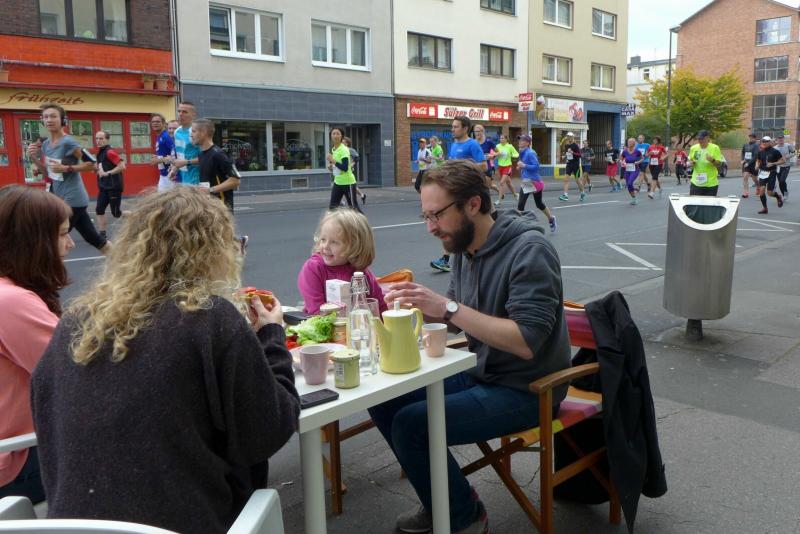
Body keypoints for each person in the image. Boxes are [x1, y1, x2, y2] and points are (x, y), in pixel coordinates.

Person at [30, 187, 300, 534]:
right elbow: (268, 431)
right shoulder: (210, 317)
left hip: (72, 525)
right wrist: (272, 335)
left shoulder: (75, 321)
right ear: (213, 251)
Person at [370, 159, 571, 534]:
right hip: (481, 372)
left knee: (412, 424)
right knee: (384, 399)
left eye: (437, 215)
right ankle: (443, 500)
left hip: (530, 389)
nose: (431, 227)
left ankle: (464, 517)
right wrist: (404, 309)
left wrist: (446, 307)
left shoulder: (530, 250)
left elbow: (526, 341)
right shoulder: (464, 248)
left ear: (474, 204)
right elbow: (452, 318)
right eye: (425, 216)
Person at [0, 185, 73, 505]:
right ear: (33, 242)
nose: (71, 244)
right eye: (62, 234)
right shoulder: (12, 302)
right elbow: (77, 370)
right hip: (17, 459)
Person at [26, 103, 111, 255]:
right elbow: (49, 173)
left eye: (53, 116)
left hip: (73, 199)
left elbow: (92, 165)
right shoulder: (46, 145)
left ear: (63, 120)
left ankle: (45, 270)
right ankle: (125, 262)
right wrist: (33, 158)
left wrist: (67, 168)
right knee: (94, 239)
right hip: (60, 198)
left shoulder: (69, 142)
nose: (49, 120)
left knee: (50, 241)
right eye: (46, 117)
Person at [297, 209, 387, 316]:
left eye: (334, 242)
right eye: (323, 239)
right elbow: (316, 311)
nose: (325, 246)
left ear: (355, 246)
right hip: (323, 325)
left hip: (358, 325)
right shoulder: (314, 268)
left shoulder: (360, 273)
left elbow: (379, 307)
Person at [430, 116, 486, 273]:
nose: (452, 129)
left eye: (456, 127)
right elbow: (451, 164)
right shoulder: (454, 144)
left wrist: (465, 168)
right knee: (454, 224)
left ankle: (478, 255)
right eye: (452, 127)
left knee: (468, 225)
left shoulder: (472, 144)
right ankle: (447, 259)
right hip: (455, 190)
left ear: (465, 128)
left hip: (469, 192)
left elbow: (484, 165)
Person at [191, 118, 241, 212]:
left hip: (221, 209)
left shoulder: (219, 154)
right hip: (208, 207)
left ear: (203, 132)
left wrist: (210, 190)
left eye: (193, 131)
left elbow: (236, 181)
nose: (191, 135)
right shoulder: (201, 154)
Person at [516, 134, 556, 233]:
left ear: (528, 143)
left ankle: (551, 219)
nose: (520, 142)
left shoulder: (531, 153)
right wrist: (520, 166)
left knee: (535, 204)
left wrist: (524, 165)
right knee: (525, 204)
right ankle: (550, 218)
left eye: (522, 140)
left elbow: (537, 167)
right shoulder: (522, 152)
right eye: (519, 140)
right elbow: (524, 164)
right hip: (527, 181)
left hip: (533, 182)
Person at [94, 130, 126, 240]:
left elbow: (122, 166)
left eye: (101, 138)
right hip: (103, 187)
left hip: (114, 187)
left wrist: (108, 173)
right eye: (97, 138)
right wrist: (97, 170)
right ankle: (102, 234)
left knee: (116, 213)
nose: (98, 141)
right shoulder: (100, 152)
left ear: (107, 139)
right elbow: (102, 167)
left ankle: (136, 217)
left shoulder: (109, 152)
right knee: (99, 209)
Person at [327, 127, 362, 212]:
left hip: (348, 182)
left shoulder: (344, 149)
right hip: (338, 182)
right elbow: (337, 166)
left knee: (354, 208)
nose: (335, 136)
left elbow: (345, 168)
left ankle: (363, 221)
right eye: (333, 134)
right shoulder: (334, 149)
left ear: (341, 136)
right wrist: (331, 167)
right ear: (331, 136)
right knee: (332, 208)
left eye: (338, 134)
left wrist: (333, 161)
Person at [169, 101, 201, 185]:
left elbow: (206, 158)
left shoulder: (196, 132)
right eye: (179, 111)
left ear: (193, 115)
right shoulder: (176, 132)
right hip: (184, 179)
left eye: (185, 112)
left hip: (197, 180)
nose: (180, 114)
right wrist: (174, 169)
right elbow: (180, 156)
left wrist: (186, 162)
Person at [687, 130, 723, 196]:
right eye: (698, 139)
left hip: (711, 184)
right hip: (696, 183)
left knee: (709, 203)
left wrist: (712, 160)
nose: (700, 141)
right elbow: (691, 161)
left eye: (702, 139)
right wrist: (691, 163)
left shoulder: (715, 148)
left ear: (707, 138)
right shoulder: (693, 148)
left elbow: (719, 164)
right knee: (694, 202)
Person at [754, 136, 785, 214]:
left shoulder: (775, 151)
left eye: (766, 141)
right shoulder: (760, 152)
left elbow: (782, 161)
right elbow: (758, 160)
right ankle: (765, 208)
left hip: (772, 173)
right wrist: (757, 165)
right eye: (763, 141)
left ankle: (778, 197)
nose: (764, 143)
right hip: (763, 173)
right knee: (761, 191)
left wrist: (773, 163)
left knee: (770, 193)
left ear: (770, 142)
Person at [150, 113, 175, 191]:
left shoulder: (166, 136)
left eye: (158, 122)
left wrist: (158, 160)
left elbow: (175, 155)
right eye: (153, 122)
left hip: (171, 175)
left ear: (164, 123)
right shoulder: (159, 136)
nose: (155, 123)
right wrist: (157, 157)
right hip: (163, 175)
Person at [558, 132, 586, 202]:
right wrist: (565, 156)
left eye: (570, 136)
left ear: (572, 137)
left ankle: (582, 192)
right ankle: (565, 195)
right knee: (566, 179)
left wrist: (573, 153)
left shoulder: (575, 145)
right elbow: (567, 153)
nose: (569, 138)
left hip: (575, 165)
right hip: (569, 164)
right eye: (568, 136)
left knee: (577, 180)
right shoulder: (566, 145)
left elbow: (580, 155)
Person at [473, 124, 499, 195]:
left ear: (482, 131)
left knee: (488, 187)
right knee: (478, 188)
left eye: (478, 131)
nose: (477, 133)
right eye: (475, 131)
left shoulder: (488, 142)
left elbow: (498, 152)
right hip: (477, 167)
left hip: (487, 167)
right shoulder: (473, 143)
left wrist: (492, 155)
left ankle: (497, 190)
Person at [495, 134, 519, 204]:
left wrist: (512, 155)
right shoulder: (497, 146)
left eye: (502, 138)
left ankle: (499, 200)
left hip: (507, 166)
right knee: (509, 183)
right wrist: (495, 155)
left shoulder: (510, 146)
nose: (501, 139)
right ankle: (515, 194)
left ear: (506, 139)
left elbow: (516, 154)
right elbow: (495, 155)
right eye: (500, 138)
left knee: (501, 183)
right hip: (500, 166)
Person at [343, 137, 367, 205]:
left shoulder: (350, 150)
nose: (341, 143)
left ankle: (341, 201)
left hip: (348, 171)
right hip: (342, 171)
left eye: (343, 142)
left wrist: (352, 164)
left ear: (347, 143)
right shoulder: (340, 150)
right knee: (349, 186)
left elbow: (357, 158)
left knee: (343, 186)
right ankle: (362, 195)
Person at [621, 138, 644, 205]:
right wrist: (622, 162)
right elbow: (621, 159)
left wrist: (638, 162)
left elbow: (642, 158)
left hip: (635, 170)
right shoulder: (625, 151)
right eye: (628, 142)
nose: (629, 143)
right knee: (628, 185)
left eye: (630, 142)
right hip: (627, 170)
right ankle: (633, 198)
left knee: (630, 183)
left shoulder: (637, 151)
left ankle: (634, 192)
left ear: (633, 144)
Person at [773, 134, 794, 200]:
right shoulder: (775, 148)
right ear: (777, 139)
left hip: (786, 166)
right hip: (778, 167)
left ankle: (785, 193)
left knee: (782, 181)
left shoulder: (788, 146)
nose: (781, 139)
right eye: (779, 138)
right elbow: (773, 157)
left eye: (782, 138)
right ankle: (784, 194)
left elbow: (794, 152)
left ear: (783, 139)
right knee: (780, 182)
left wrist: (787, 156)